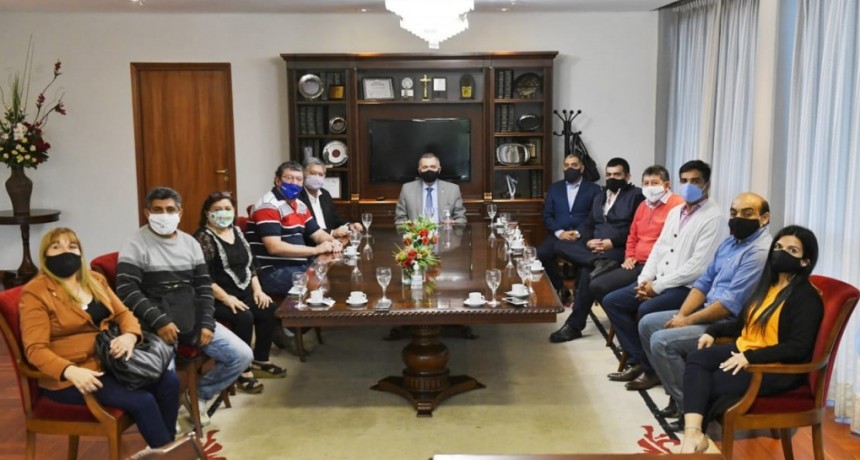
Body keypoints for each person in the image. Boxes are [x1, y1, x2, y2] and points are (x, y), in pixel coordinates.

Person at [20, 228, 179, 448]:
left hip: (110, 362)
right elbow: (35, 349)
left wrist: (130, 336)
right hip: (73, 377)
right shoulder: (36, 292)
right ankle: (169, 452)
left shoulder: (94, 279)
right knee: (143, 401)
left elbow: (123, 314)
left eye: (72, 246)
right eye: (56, 247)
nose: (66, 252)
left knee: (170, 381)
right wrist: (70, 371)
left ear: (80, 252)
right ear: (45, 255)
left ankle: (168, 449)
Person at [636, 192, 772, 432]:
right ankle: (678, 397)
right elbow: (703, 283)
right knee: (648, 323)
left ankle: (691, 409)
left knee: (663, 341)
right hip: (707, 309)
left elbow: (729, 304)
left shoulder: (759, 252)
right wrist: (681, 316)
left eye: (747, 213)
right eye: (734, 213)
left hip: (729, 323)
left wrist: (687, 320)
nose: (738, 218)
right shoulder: (730, 243)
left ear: (764, 218)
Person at [117, 187, 253, 426]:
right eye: (158, 210)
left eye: (170, 210)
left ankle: (199, 395)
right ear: (147, 212)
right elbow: (127, 290)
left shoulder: (190, 243)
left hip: (190, 316)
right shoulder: (135, 244)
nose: (164, 215)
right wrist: (159, 321)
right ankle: (167, 421)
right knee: (166, 379)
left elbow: (203, 287)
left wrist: (207, 323)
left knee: (242, 355)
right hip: (154, 324)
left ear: (180, 213)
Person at [679, 226, 822, 453]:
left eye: (792, 250)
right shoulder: (768, 286)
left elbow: (798, 348)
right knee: (696, 359)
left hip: (773, 367)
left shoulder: (807, 298)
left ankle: (693, 440)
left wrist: (750, 357)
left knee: (707, 383)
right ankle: (694, 434)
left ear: (805, 261)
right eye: (778, 247)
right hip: (745, 350)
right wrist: (713, 331)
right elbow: (743, 325)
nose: (781, 253)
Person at [602, 160, 723, 384]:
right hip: (659, 280)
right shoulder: (676, 211)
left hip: (688, 288)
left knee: (646, 309)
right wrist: (644, 280)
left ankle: (651, 371)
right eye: (684, 181)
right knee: (612, 301)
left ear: (707, 184)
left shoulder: (714, 218)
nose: (689, 186)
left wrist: (656, 287)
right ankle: (640, 360)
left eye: (695, 181)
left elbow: (697, 267)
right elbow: (659, 248)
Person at [195, 191, 286, 395]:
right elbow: (204, 278)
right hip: (217, 298)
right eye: (217, 210)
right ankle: (242, 370)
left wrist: (258, 291)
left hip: (244, 291)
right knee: (244, 316)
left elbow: (251, 265)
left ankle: (261, 359)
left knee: (268, 309)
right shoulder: (203, 238)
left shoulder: (236, 231)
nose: (223, 213)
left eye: (228, 209)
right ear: (207, 213)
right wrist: (227, 298)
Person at [548, 157, 644, 343]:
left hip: (617, 248)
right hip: (595, 249)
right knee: (560, 245)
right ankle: (597, 261)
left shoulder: (636, 196)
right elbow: (589, 224)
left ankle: (574, 326)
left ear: (627, 176)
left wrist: (611, 242)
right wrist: (588, 241)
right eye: (609, 175)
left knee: (587, 272)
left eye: (617, 175)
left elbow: (634, 228)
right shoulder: (600, 196)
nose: (612, 178)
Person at [245, 161, 343, 297]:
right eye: (289, 178)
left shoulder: (300, 205)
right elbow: (274, 247)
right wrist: (316, 250)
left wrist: (333, 241)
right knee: (319, 284)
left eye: (298, 179)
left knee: (335, 272)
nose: (294, 183)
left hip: (297, 265)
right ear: (278, 181)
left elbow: (317, 234)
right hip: (272, 271)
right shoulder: (268, 205)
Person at [537, 152, 601, 299]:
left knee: (588, 257)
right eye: (566, 165)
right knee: (540, 254)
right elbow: (547, 215)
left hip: (583, 235)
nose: (570, 168)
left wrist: (578, 233)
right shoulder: (554, 188)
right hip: (558, 235)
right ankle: (560, 286)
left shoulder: (594, 189)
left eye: (574, 165)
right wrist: (560, 232)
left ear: (582, 168)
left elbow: (594, 216)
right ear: (563, 168)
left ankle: (579, 290)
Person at [394, 152, 467, 226]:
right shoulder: (407, 189)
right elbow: (399, 220)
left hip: (444, 232)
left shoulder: (453, 189)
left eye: (433, 167)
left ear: (439, 169)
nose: (429, 170)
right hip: (417, 232)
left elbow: (461, 219)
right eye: (425, 167)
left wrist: (454, 223)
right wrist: (410, 228)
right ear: (419, 170)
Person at [298, 157, 362, 240]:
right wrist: (332, 232)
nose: (317, 177)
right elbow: (303, 228)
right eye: (313, 173)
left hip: (331, 242)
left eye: (320, 174)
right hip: (310, 244)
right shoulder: (297, 197)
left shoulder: (325, 194)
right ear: (303, 174)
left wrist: (350, 226)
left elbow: (334, 219)